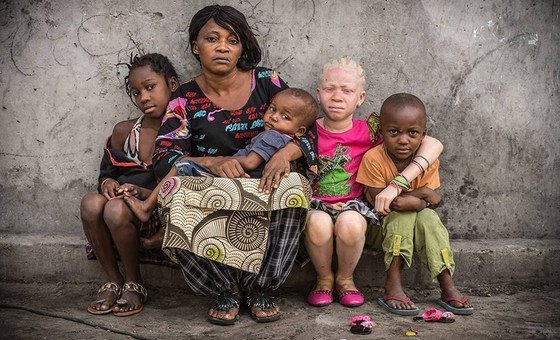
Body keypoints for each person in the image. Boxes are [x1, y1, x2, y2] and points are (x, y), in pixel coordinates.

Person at [151, 5, 318, 325]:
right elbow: (164, 156)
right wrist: (211, 161)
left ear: (242, 46)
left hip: (264, 182)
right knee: (171, 193)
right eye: (212, 39)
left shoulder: (267, 81)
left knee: (295, 187)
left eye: (233, 39)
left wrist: (284, 155)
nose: (223, 46)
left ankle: (261, 289)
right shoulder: (183, 98)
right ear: (195, 47)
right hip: (212, 185)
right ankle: (224, 289)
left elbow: (308, 131)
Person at [304, 57, 444, 308]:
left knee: (350, 223)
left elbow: (433, 144)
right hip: (315, 204)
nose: (337, 96)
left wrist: (399, 182)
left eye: (347, 90)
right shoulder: (307, 130)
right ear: (318, 93)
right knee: (317, 222)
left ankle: (346, 280)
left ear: (360, 98)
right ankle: (324, 279)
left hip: (354, 205)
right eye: (329, 89)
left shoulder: (370, 131)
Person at [123, 88, 319, 227]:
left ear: (301, 130)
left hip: (235, 180)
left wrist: (219, 160)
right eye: (273, 109)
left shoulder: (272, 136)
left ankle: (147, 206)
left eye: (285, 117)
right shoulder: (282, 137)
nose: (274, 117)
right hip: (240, 184)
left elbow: (251, 162)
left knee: (182, 164)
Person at [356, 93, 474, 315]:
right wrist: (421, 194)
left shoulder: (427, 160)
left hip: (413, 224)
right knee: (404, 214)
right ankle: (392, 283)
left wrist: (421, 203)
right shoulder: (373, 158)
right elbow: (389, 204)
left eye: (412, 133)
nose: (403, 140)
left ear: (423, 135)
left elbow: (432, 203)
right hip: (377, 229)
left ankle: (446, 283)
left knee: (429, 218)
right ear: (381, 133)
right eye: (394, 132)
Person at [80, 53, 179, 316]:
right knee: (90, 203)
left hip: (153, 209)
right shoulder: (125, 131)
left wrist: (142, 193)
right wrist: (109, 182)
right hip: (120, 200)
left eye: (150, 87)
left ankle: (134, 281)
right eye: (136, 92)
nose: (143, 97)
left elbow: (182, 179)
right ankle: (113, 279)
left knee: (115, 209)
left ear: (172, 84)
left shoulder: (180, 131)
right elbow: (106, 172)